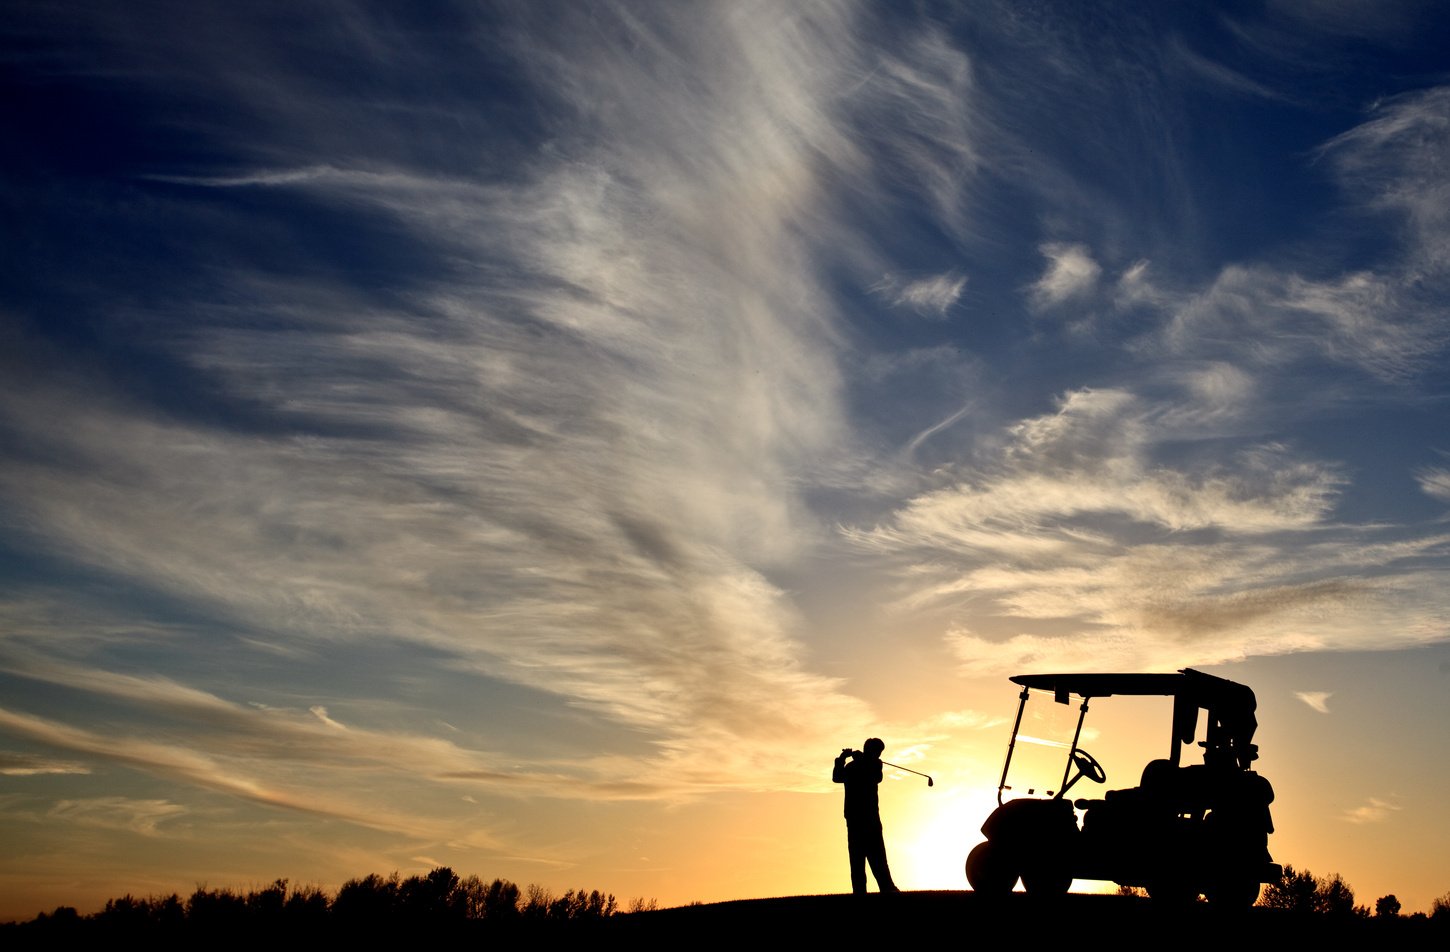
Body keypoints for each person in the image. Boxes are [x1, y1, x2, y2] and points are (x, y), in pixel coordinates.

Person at [833, 737, 899, 894]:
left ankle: (887, 888)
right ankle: (860, 892)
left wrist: (861, 760)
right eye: (877, 751)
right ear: (871, 750)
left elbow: (876, 777)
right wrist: (841, 759)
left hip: (869, 819)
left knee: (878, 858)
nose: (878, 755)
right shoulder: (852, 766)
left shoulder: (875, 764)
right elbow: (837, 777)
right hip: (856, 818)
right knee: (857, 860)